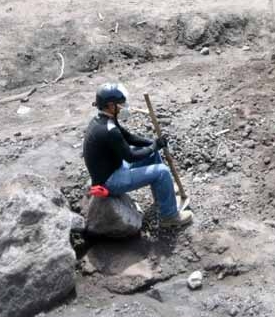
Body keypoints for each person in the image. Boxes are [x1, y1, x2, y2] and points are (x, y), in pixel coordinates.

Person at [82, 83, 193, 228]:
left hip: (113, 168)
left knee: (151, 154)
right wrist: (154, 147)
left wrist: (152, 143)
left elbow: (128, 137)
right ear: (110, 105)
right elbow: (131, 156)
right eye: (121, 104)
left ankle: (162, 196)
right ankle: (170, 217)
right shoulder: (109, 130)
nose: (125, 106)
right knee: (162, 172)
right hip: (109, 181)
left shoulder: (104, 120)